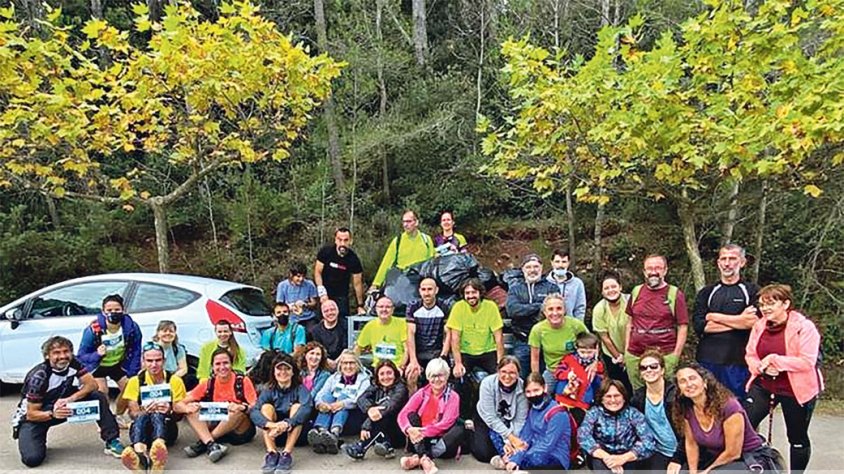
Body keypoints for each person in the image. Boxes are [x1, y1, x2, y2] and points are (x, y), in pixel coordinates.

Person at [744, 284, 822, 474]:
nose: (765, 308)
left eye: (771, 304)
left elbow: (807, 362)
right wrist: (761, 367)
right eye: (762, 304)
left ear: (786, 304)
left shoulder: (804, 327)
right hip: (764, 385)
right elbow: (750, 354)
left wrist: (775, 360)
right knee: (743, 425)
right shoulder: (759, 325)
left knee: (796, 437)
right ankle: (750, 466)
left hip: (796, 390)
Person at [14, 336, 125, 467]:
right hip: (37, 416)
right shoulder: (39, 376)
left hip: (63, 404)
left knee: (97, 396)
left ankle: (112, 441)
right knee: (32, 459)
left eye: (66, 351)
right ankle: (35, 439)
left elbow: (92, 385)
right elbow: (31, 414)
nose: (62, 356)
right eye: (56, 353)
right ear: (47, 356)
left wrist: (69, 399)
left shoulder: (73, 363)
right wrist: (53, 414)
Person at [673, 363, 777, 473]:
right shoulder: (687, 408)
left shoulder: (729, 407)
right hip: (716, 458)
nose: (689, 384)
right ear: (679, 389)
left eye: (692, 378)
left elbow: (733, 452)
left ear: (705, 382)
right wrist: (693, 472)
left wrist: (706, 471)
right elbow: (691, 444)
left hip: (747, 458)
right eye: (683, 381)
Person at [694, 244, 760, 398]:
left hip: (739, 361)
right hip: (707, 359)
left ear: (742, 262)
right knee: (707, 404)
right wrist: (740, 320)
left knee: (737, 406)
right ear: (718, 263)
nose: (727, 263)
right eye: (723, 259)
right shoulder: (707, 292)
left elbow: (753, 322)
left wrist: (714, 316)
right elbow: (700, 326)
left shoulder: (752, 291)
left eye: (732, 259)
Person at [176, 348, 258, 463]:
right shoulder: (209, 383)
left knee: (237, 411)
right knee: (191, 409)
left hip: (239, 431)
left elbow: (255, 405)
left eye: (225, 363)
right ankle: (211, 444)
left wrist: (243, 407)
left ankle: (205, 442)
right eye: (218, 364)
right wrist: (187, 408)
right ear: (212, 367)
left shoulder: (242, 381)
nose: (222, 367)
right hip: (216, 423)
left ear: (231, 364)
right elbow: (178, 404)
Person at [120, 341, 188, 472]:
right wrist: (143, 410)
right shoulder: (135, 381)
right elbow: (132, 413)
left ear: (164, 361)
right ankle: (141, 455)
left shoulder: (175, 381)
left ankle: (158, 447)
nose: (154, 364)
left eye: (158, 360)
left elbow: (180, 415)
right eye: (149, 361)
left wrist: (169, 410)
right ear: (143, 361)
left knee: (157, 414)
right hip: (142, 429)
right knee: (142, 416)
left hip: (167, 428)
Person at [625, 254, 689, 389]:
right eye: (649, 268)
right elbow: (629, 322)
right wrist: (626, 351)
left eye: (658, 268)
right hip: (635, 354)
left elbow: (682, 326)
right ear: (644, 272)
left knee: (665, 393)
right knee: (638, 393)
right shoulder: (636, 291)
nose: (653, 272)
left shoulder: (675, 294)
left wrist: (675, 356)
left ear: (665, 270)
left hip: (665, 355)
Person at [77, 294, 142, 421]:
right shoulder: (92, 331)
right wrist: (97, 354)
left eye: (117, 310)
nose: (113, 313)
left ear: (123, 310)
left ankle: (118, 415)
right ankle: (106, 421)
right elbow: (81, 356)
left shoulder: (131, 327)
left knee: (129, 389)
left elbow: (136, 349)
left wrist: (133, 371)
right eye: (109, 310)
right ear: (103, 312)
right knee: (102, 393)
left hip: (117, 364)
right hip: (98, 366)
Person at [446, 278, 504, 418]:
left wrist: (500, 362)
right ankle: (464, 416)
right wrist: (458, 363)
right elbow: (455, 338)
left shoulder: (490, 307)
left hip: (488, 351)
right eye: (467, 293)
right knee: (459, 379)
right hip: (466, 353)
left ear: (480, 293)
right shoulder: (458, 307)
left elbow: (498, 338)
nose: (471, 296)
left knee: (501, 378)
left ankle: (497, 412)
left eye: (474, 292)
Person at [491, 372, 572, 471]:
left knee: (535, 459)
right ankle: (514, 463)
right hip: (533, 450)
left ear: (545, 388)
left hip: (555, 456)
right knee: (498, 435)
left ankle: (511, 463)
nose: (532, 395)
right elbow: (526, 437)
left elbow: (548, 444)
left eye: (536, 390)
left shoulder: (558, 413)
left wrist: (522, 458)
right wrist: (517, 458)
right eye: (528, 392)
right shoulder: (533, 410)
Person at [397, 358, 464, 474]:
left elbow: (446, 423)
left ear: (447, 376)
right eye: (433, 376)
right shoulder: (422, 393)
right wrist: (408, 429)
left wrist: (421, 432)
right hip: (421, 441)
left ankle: (420, 458)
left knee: (459, 429)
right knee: (411, 416)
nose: (437, 379)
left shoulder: (453, 396)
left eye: (440, 375)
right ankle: (424, 459)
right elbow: (403, 414)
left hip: (442, 442)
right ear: (428, 377)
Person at [251, 352, 312, 474]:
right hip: (274, 434)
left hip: (296, 434)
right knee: (266, 407)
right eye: (279, 369)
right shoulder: (268, 389)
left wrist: (287, 423)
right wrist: (273, 425)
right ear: (274, 372)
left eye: (287, 369)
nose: (283, 372)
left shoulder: (300, 389)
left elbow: (307, 408)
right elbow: (254, 411)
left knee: (297, 407)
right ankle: (272, 453)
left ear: (293, 372)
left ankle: (286, 454)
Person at [578, 379, 656, 473]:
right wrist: (607, 457)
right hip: (602, 455)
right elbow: (583, 436)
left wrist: (623, 458)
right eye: (608, 396)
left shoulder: (633, 414)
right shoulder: (594, 413)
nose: (613, 400)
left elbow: (648, 441)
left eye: (617, 396)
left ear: (624, 398)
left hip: (629, 456)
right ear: (602, 399)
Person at [630, 349, 684, 472]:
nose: (649, 370)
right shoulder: (638, 398)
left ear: (662, 370)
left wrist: (678, 459)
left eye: (653, 366)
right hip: (657, 451)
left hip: (682, 450)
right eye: (644, 368)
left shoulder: (676, 395)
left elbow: (688, 432)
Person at [506, 253, 558, 378]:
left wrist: (525, 309)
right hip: (522, 340)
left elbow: (554, 312)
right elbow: (513, 310)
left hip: (546, 342)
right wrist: (539, 306)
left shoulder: (552, 288)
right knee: (519, 378)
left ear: (541, 268)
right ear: (523, 270)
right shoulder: (515, 289)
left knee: (544, 379)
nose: (532, 270)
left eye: (536, 266)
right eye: (528, 267)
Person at [308, 350, 370, 454]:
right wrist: (320, 404)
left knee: (343, 396)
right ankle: (321, 432)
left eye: (352, 363)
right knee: (327, 397)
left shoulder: (365, 380)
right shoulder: (333, 378)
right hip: (330, 414)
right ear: (340, 365)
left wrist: (341, 404)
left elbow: (359, 399)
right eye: (345, 363)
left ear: (358, 365)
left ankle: (334, 434)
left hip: (351, 417)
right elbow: (320, 394)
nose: (348, 366)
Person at [345, 359, 409, 460]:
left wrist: (366, 426)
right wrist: (369, 409)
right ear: (378, 377)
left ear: (395, 374)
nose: (386, 377)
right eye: (382, 374)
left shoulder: (401, 388)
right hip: (381, 429)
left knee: (382, 414)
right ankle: (385, 445)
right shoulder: (376, 386)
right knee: (373, 411)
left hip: (397, 430)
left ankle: (361, 447)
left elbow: (388, 407)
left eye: (389, 373)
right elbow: (361, 399)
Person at [472, 356, 527, 464]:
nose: (507, 376)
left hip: (509, 419)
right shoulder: (487, 383)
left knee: (515, 448)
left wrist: (510, 442)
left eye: (512, 373)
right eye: (503, 372)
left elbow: (520, 420)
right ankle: (469, 432)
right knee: (483, 454)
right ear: (498, 371)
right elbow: (491, 417)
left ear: (518, 374)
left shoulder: (522, 387)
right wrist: (510, 438)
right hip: (486, 418)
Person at [528, 293, 588, 390]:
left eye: (559, 308)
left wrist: (594, 364)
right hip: (552, 371)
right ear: (544, 312)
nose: (555, 313)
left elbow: (592, 344)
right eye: (550, 309)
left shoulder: (576, 325)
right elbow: (535, 359)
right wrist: (536, 381)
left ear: (564, 310)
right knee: (542, 393)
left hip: (575, 370)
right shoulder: (538, 330)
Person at [405, 278, 450, 392]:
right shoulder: (413, 307)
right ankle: (414, 403)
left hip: (436, 352)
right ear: (419, 291)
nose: (426, 293)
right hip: (419, 353)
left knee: (439, 377)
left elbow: (448, 334)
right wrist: (413, 360)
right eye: (423, 289)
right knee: (411, 376)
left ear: (436, 290)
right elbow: (410, 333)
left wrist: (443, 357)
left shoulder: (444, 306)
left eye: (430, 289)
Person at [370, 210, 435, 290]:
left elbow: (431, 262)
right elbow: (386, 263)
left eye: (408, 221)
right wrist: (376, 284)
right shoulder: (398, 241)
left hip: (421, 283)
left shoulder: (426, 240)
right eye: (404, 222)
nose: (405, 225)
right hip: (402, 283)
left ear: (416, 222)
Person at [592, 273, 632, 394]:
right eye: (606, 288)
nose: (611, 290)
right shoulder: (599, 309)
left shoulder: (631, 301)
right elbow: (605, 338)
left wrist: (628, 355)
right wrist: (619, 357)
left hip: (634, 350)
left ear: (620, 287)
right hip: (612, 354)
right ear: (602, 292)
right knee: (619, 386)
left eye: (613, 286)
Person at [552, 331, 604, 423]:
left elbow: (598, 385)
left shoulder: (598, 366)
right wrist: (567, 374)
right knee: (562, 421)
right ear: (577, 349)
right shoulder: (569, 359)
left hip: (583, 401)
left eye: (590, 352)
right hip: (564, 398)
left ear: (596, 350)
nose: (586, 355)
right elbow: (557, 373)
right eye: (582, 352)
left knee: (579, 423)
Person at [314, 227, 366, 317]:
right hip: (325, 293)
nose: (342, 243)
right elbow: (317, 272)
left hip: (341, 296)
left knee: (343, 321)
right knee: (322, 319)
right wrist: (322, 292)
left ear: (350, 241)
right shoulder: (326, 252)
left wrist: (360, 305)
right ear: (335, 240)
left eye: (346, 240)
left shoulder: (353, 259)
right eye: (340, 240)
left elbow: (357, 283)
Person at [355, 296, 408, 367]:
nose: (384, 309)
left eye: (388, 307)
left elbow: (407, 350)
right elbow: (358, 348)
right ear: (376, 309)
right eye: (381, 307)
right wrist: (356, 366)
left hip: (396, 367)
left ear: (393, 309)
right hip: (377, 368)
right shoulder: (370, 325)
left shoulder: (402, 324)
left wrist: (401, 367)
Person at [153, 320, 195, 390]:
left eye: (171, 331)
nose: (168, 333)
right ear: (158, 333)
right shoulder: (151, 348)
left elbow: (183, 369)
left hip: (173, 377)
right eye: (164, 331)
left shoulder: (179, 349)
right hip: (154, 378)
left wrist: (171, 380)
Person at [275, 262, 319, 330]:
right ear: (291, 275)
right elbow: (279, 305)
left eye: (303, 276)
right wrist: (290, 306)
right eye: (298, 276)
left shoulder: (309, 284)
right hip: (291, 319)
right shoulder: (282, 286)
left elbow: (314, 303)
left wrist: (305, 304)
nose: (301, 279)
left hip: (308, 318)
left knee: (313, 330)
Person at [546, 248, 587, 320]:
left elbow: (580, 308)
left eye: (564, 262)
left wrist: (578, 324)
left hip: (570, 324)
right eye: (557, 262)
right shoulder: (545, 283)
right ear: (552, 263)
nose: (560, 265)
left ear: (568, 263)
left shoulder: (577, 284)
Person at [309, 300, 347, 369]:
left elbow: (347, 348)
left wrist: (336, 362)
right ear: (322, 313)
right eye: (326, 311)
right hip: (323, 363)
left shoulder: (346, 325)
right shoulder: (315, 330)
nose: (330, 313)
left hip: (343, 361)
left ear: (338, 310)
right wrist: (327, 361)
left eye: (332, 310)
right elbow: (318, 349)